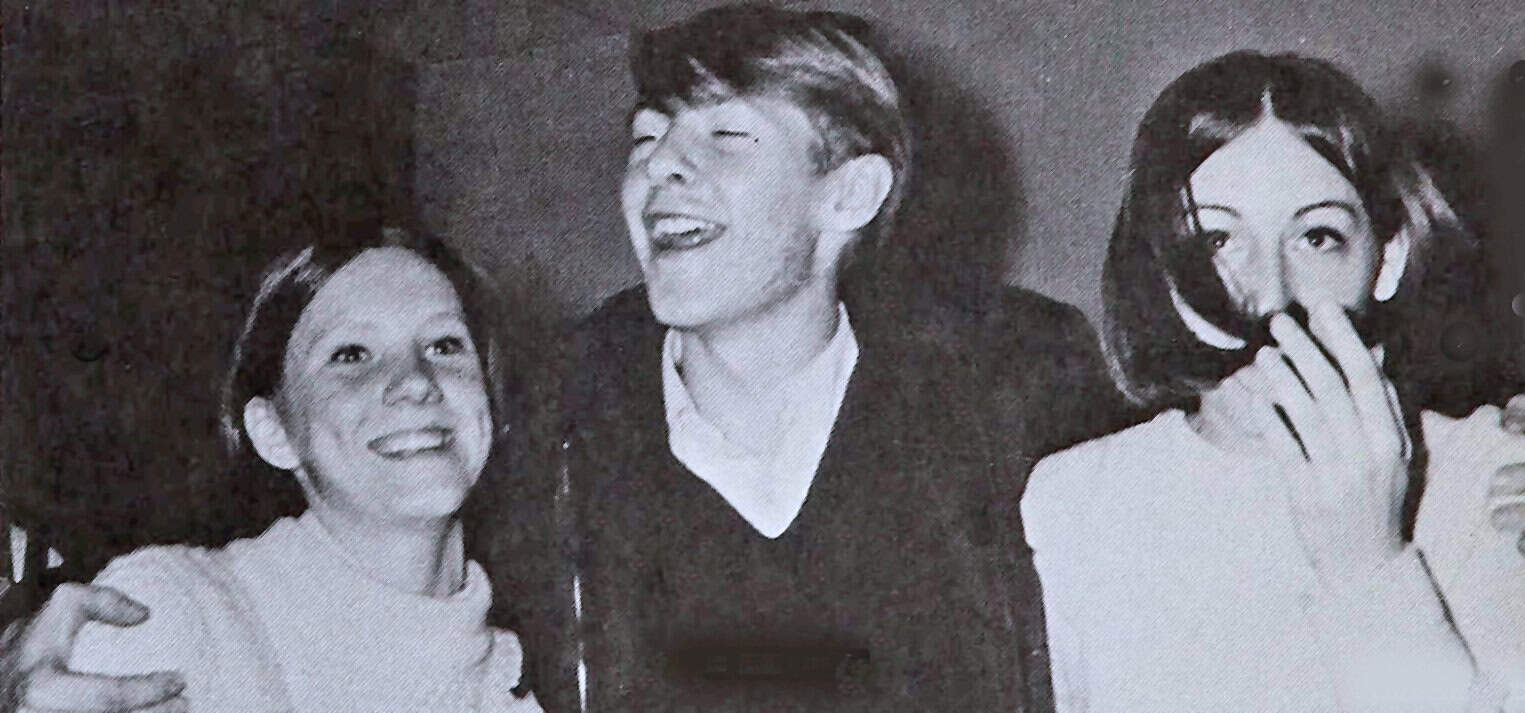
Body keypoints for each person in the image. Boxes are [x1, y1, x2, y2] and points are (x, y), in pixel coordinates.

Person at [0, 6, 1132, 712]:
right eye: (645, 141)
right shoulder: (539, 423)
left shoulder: (1015, 390)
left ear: (849, 192)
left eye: (722, 138)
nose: (659, 173)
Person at [1021, 51, 1525, 712]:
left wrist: (1368, 561)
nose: (1269, 297)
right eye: (1215, 243)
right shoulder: (1073, 501)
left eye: (1316, 237)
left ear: (1387, 258)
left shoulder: (1492, 481)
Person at [6, 226, 543, 712]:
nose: (416, 380)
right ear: (274, 432)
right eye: (352, 354)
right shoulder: (176, 613)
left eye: (445, 344)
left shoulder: (523, 680)